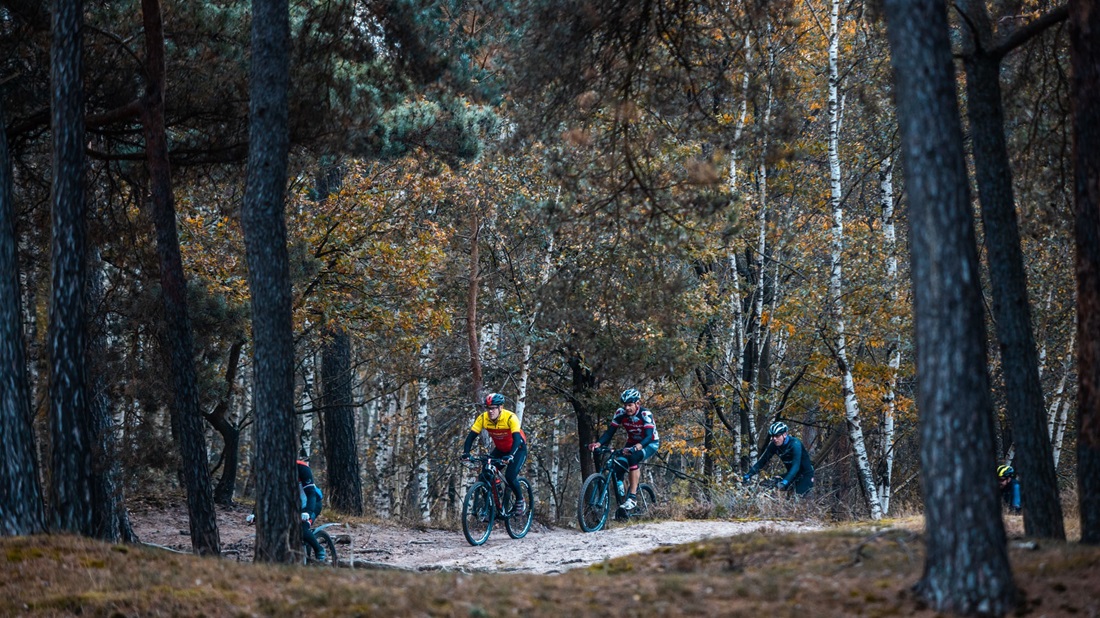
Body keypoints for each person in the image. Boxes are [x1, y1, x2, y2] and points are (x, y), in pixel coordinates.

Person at [588, 388, 660, 511]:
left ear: (638, 404)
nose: (627, 408)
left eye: (630, 405)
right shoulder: (620, 413)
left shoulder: (645, 414)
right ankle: (622, 497)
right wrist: (599, 444)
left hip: (649, 443)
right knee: (617, 466)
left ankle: (632, 498)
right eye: (625, 405)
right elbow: (610, 432)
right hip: (632, 442)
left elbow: (649, 436)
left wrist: (637, 447)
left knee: (633, 458)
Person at [244, 458, 326, 561]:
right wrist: (254, 514)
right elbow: (264, 497)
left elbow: (311, 494)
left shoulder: (302, 467)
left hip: (310, 504)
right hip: (291, 505)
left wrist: (308, 512)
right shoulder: (272, 472)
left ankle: (319, 549)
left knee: (301, 529)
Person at [461, 393, 528, 516]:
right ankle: (489, 509)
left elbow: (517, 439)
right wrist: (466, 453)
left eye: (493, 408)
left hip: (517, 449)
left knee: (510, 476)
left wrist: (511, 455)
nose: (490, 411)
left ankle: (520, 500)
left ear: (500, 408)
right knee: (485, 475)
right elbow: (471, 437)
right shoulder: (483, 418)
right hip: (501, 449)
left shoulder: (510, 418)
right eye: (488, 408)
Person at [742, 421, 814, 496]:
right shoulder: (773, 445)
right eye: (772, 436)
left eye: (777, 436)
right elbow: (762, 462)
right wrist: (748, 475)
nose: (774, 439)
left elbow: (796, 466)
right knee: (767, 484)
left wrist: (785, 482)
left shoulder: (795, 444)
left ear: (785, 434)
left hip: (805, 475)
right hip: (792, 474)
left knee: (796, 499)